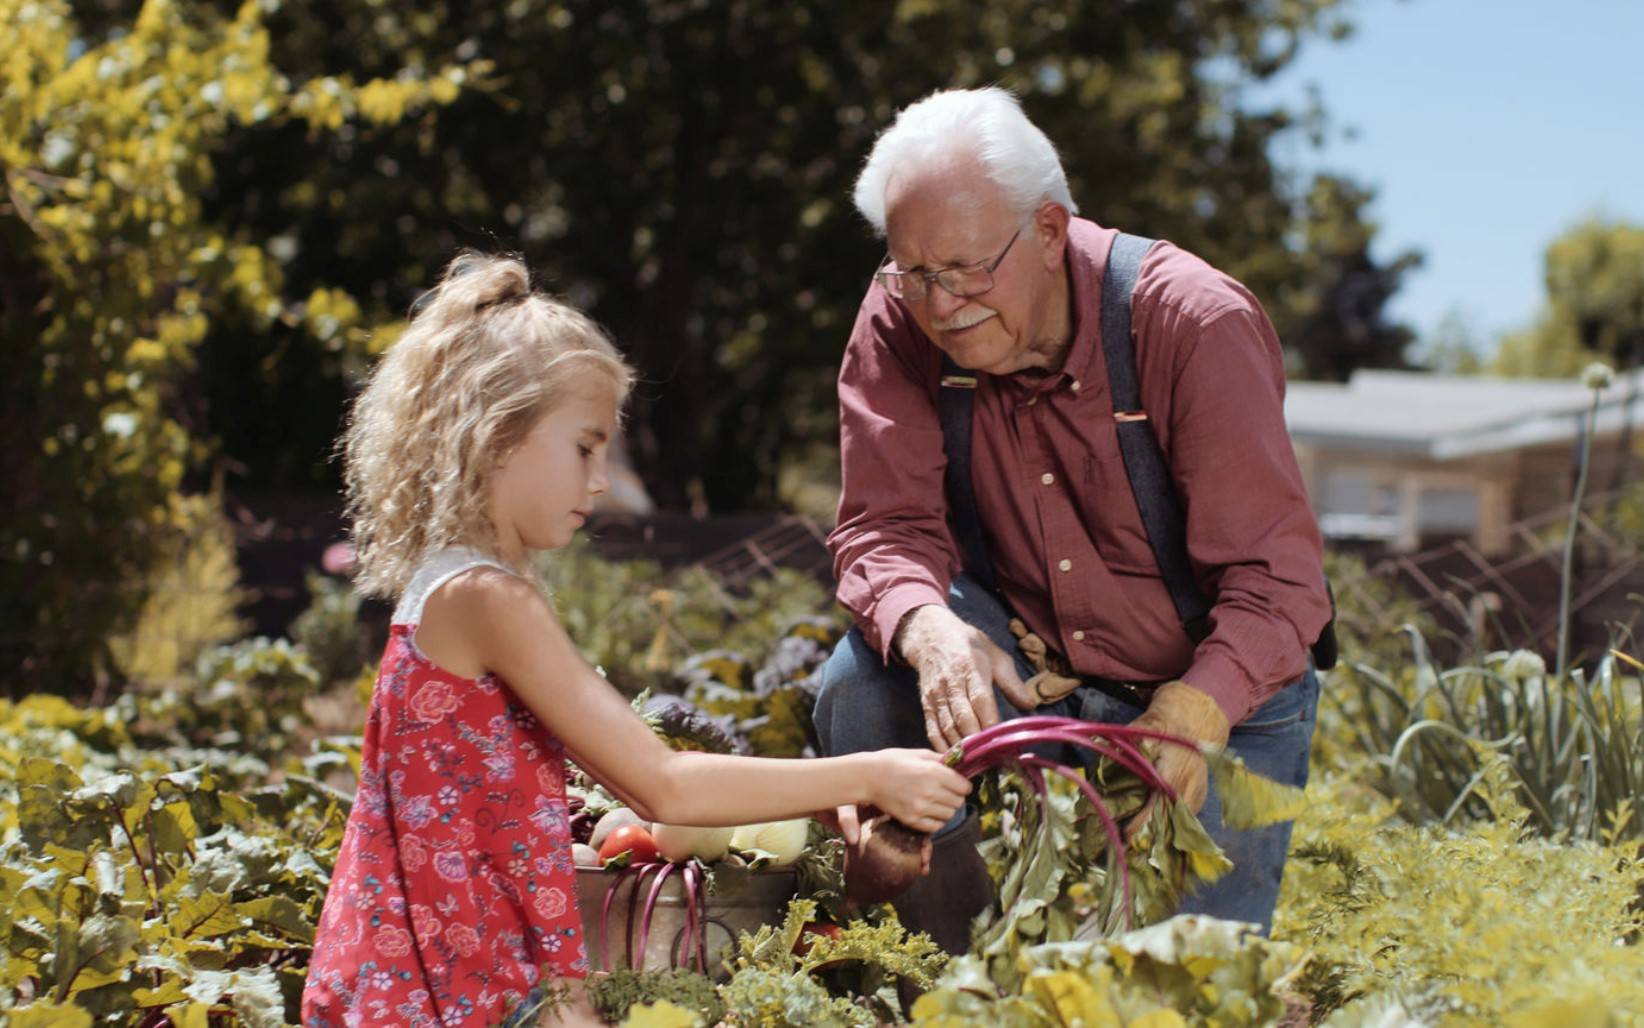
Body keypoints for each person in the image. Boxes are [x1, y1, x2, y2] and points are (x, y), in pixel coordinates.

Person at [302, 252, 970, 1027]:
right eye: (585, 447)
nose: (599, 481)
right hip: (450, 993)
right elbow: (663, 784)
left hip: (412, 978)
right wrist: (868, 775)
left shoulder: (447, 589)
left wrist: (818, 805)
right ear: (492, 436)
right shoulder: (488, 599)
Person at [814, 87, 1333, 953]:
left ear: (1050, 231)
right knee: (862, 686)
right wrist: (931, 630)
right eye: (917, 274)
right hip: (1029, 656)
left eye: (969, 270)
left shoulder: (1193, 323)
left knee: (1187, 993)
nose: (942, 306)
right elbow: (884, 526)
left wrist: (1198, 712)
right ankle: (947, 976)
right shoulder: (899, 312)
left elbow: (1277, 582)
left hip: (1216, 684)